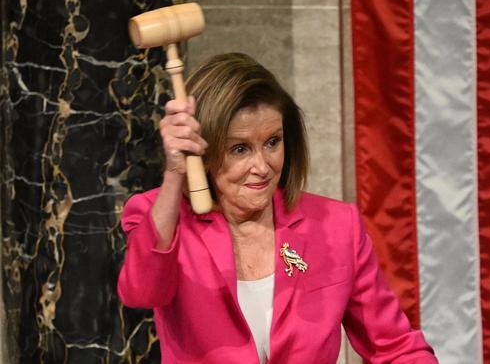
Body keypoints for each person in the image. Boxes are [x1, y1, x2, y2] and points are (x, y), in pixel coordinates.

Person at [118, 53, 438, 363]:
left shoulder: (337, 225)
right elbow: (142, 294)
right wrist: (176, 172)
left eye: (272, 142)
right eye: (240, 149)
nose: (263, 166)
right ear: (204, 152)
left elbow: (396, 347)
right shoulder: (160, 217)